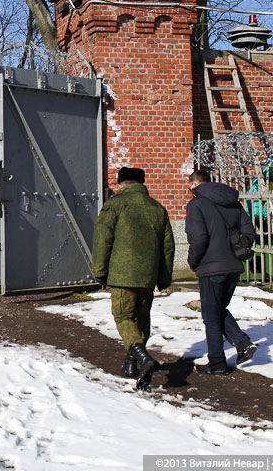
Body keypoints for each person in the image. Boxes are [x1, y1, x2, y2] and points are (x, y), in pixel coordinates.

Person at [92, 167, 174, 390]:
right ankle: (131, 363)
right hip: (148, 275)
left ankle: (143, 357)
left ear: (121, 183)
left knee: (123, 318)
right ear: (142, 183)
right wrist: (164, 277)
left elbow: (102, 240)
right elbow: (167, 247)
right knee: (141, 319)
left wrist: (100, 271)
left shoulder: (114, 205)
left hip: (122, 275)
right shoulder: (157, 208)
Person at [185, 170, 258, 375]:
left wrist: (193, 261)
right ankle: (242, 343)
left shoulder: (196, 204)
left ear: (194, 185)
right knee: (217, 309)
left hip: (210, 267)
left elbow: (198, 238)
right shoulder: (233, 202)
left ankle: (217, 363)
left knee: (211, 315)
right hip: (234, 266)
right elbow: (249, 232)